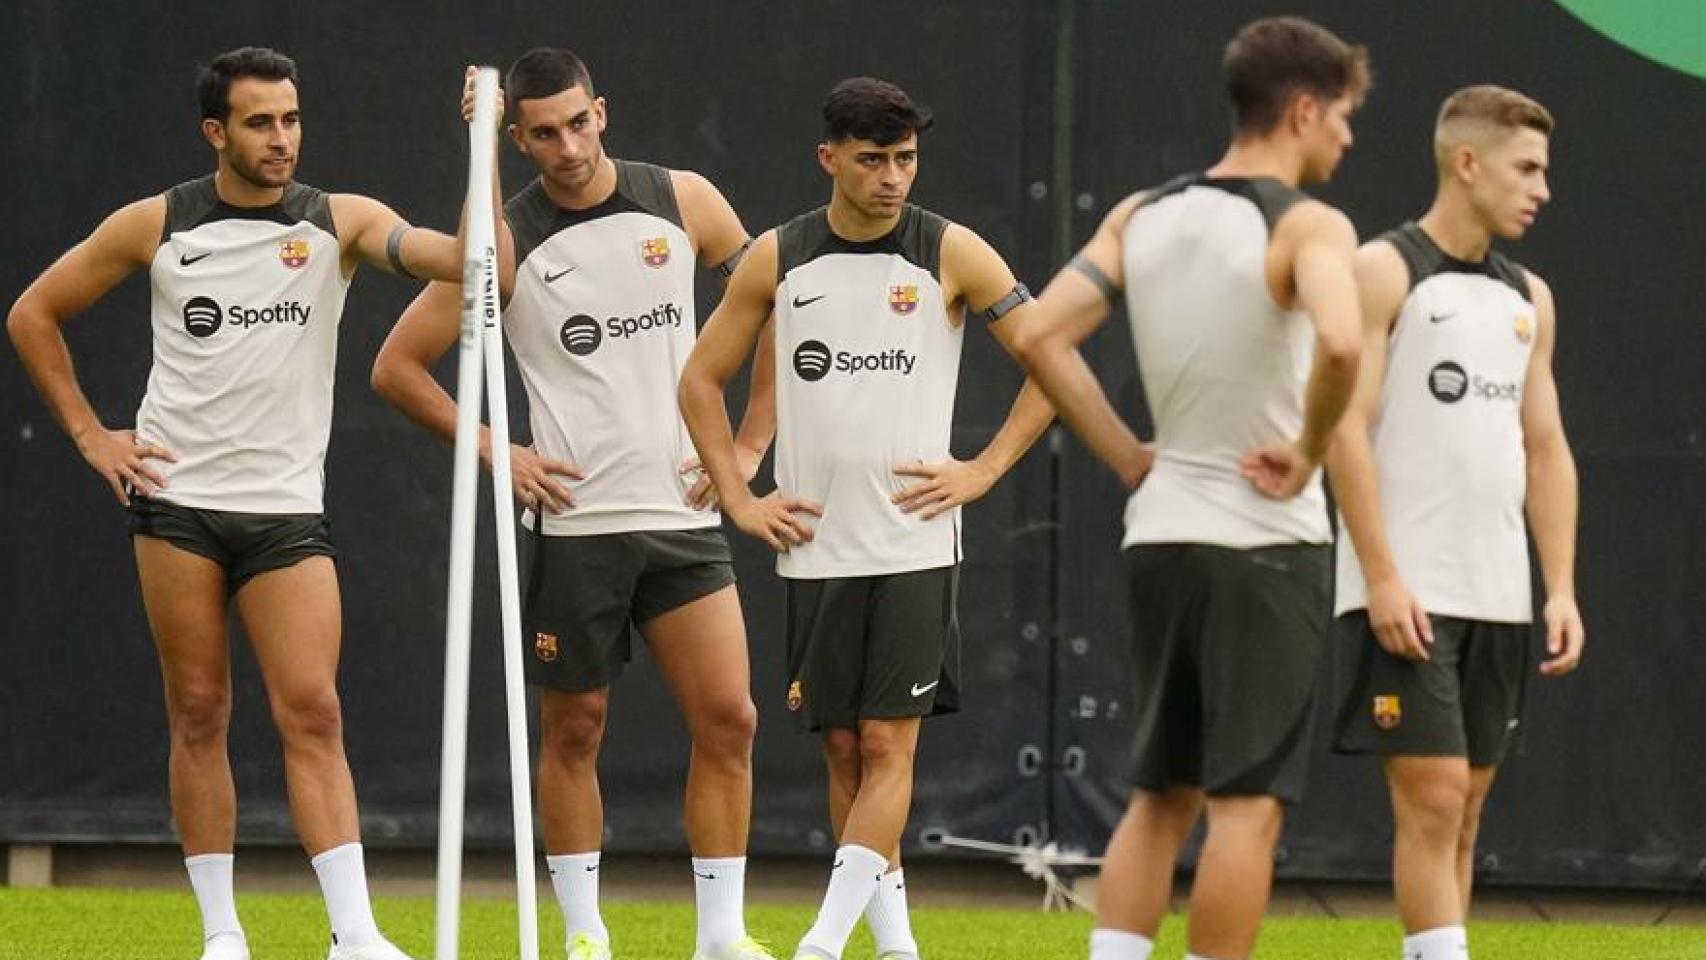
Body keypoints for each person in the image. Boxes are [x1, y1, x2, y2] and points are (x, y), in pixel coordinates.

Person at [6, 47, 471, 960]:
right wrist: (92, 436)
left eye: (291, 119)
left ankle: (355, 934)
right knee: (198, 709)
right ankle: (222, 931)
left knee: (314, 709)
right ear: (216, 132)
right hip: (178, 507)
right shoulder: (157, 223)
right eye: (261, 122)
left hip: (286, 513)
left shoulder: (339, 221)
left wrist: (479, 143)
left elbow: (459, 260)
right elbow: (33, 313)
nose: (282, 138)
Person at [371, 47, 776, 960]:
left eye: (579, 123)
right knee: (577, 727)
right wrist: (496, 449)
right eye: (545, 133)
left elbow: (774, 307)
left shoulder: (685, 200)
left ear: (603, 112)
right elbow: (396, 367)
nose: (569, 146)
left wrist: (748, 448)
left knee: (732, 719)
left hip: (684, 519)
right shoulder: (506, 239)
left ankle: (721, 935)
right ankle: (585, 933)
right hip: (577, 525)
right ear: (519, 139)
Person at [1011, 16, 1368, 960]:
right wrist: (1308, 449)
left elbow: (1039, 334)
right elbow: (1342, 341)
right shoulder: (1308, 223)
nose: (1347, 137)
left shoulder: (1142, 214)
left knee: (1160, 795)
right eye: (1342, 115)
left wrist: (1128, 455)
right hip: (1267, 546)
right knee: (1248, 808)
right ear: (1303, 109)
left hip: (1160, 535)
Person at [678, 76, 1054, 960]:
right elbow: (699, 380)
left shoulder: (951, 251)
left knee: (888, 743)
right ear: (830, 158)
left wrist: (984, 469)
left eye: (906, 159)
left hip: (913, 543)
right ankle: (896, 946)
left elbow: (1053, 359)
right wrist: (739, 496)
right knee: (844, 750)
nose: (892, 177)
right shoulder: (778, 258)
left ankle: (821, 942)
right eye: (873, 159)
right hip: (815, 547)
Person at [1326, 85, 1582, 960]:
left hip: (1499, 595)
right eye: (1527, 169)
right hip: (1407, 591)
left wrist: (1560, 588)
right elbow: (1343, 432)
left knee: (1465, 812)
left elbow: (1546, 448)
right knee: (1433, 800)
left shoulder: (1529, 297)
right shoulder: (1384, 269)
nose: (1542, 189)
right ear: (1467, 163)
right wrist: (1381, 576)